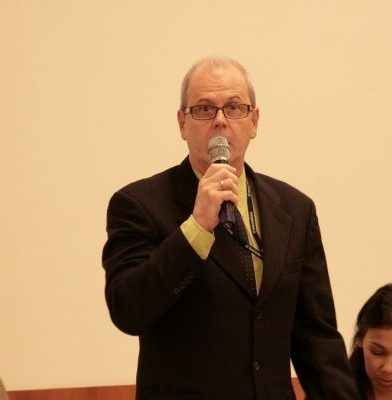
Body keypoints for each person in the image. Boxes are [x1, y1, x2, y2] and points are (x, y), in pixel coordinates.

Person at [102, 56, 359, 400]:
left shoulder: (295, 209)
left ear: (254, 121)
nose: (220, 120)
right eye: (204, 109)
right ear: (182, 123)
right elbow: (128, 311)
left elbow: (316, 338)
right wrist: (197, 227)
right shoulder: (139, 204)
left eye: (235, 107)